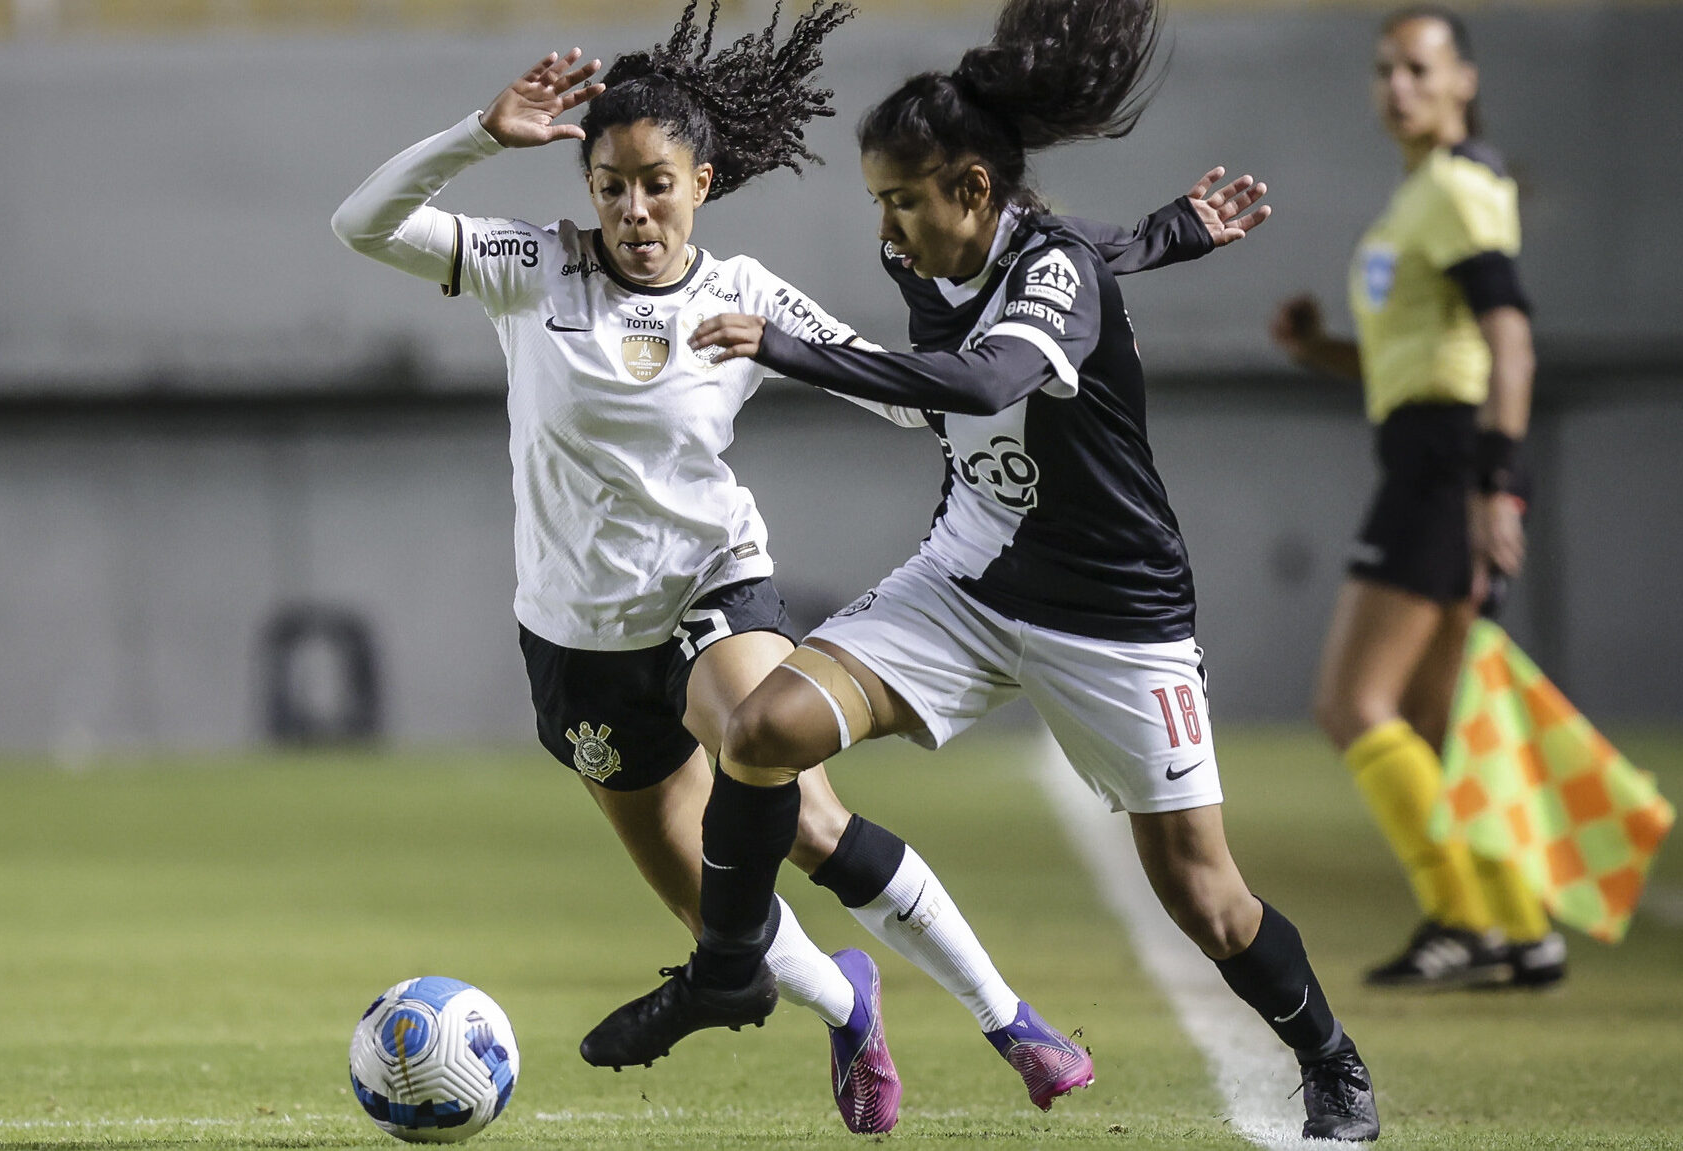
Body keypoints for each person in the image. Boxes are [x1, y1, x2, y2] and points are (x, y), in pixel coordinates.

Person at [329, 0, 1238, 1131]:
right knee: (720, 916)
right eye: (609, 184)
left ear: (700, 184)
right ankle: (847, 1003)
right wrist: (478, 131)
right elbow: (363, 224)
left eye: (655, 182)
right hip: (574, 636)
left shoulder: (743, 292)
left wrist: (1011, 342)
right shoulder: (533, 268)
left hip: (712, 589)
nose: (631, 208)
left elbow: (897, 391)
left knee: (793, 801)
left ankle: (1012, 1019)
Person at [581, 0, 1381, 1141]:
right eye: (878, 204)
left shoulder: (1047, 271)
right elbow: (1097, 249)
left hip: (1115, 615)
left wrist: (796, 349)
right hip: (968, 577)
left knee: (1204, 892)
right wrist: (1171, 231)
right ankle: (727, 964)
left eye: (905, 200)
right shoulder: (966, 244)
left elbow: (985, 379)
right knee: (760, 734)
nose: (890, 231)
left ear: (971, 188)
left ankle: (1331, 1060)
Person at [1270, 5, 1562, 991]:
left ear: (1462, 81)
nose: (1399, 86)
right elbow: (1416, 355)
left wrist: (1492, 486)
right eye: (1386, 69)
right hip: (1434, 453)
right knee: (1437, 716)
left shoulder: (1456, 189)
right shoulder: (1417, 199)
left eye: (1420, 68)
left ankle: (1460, 918)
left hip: (1446, 465)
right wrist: (1321, 351)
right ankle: (1523, 927)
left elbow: (1508, 340)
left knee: (1352, 701)